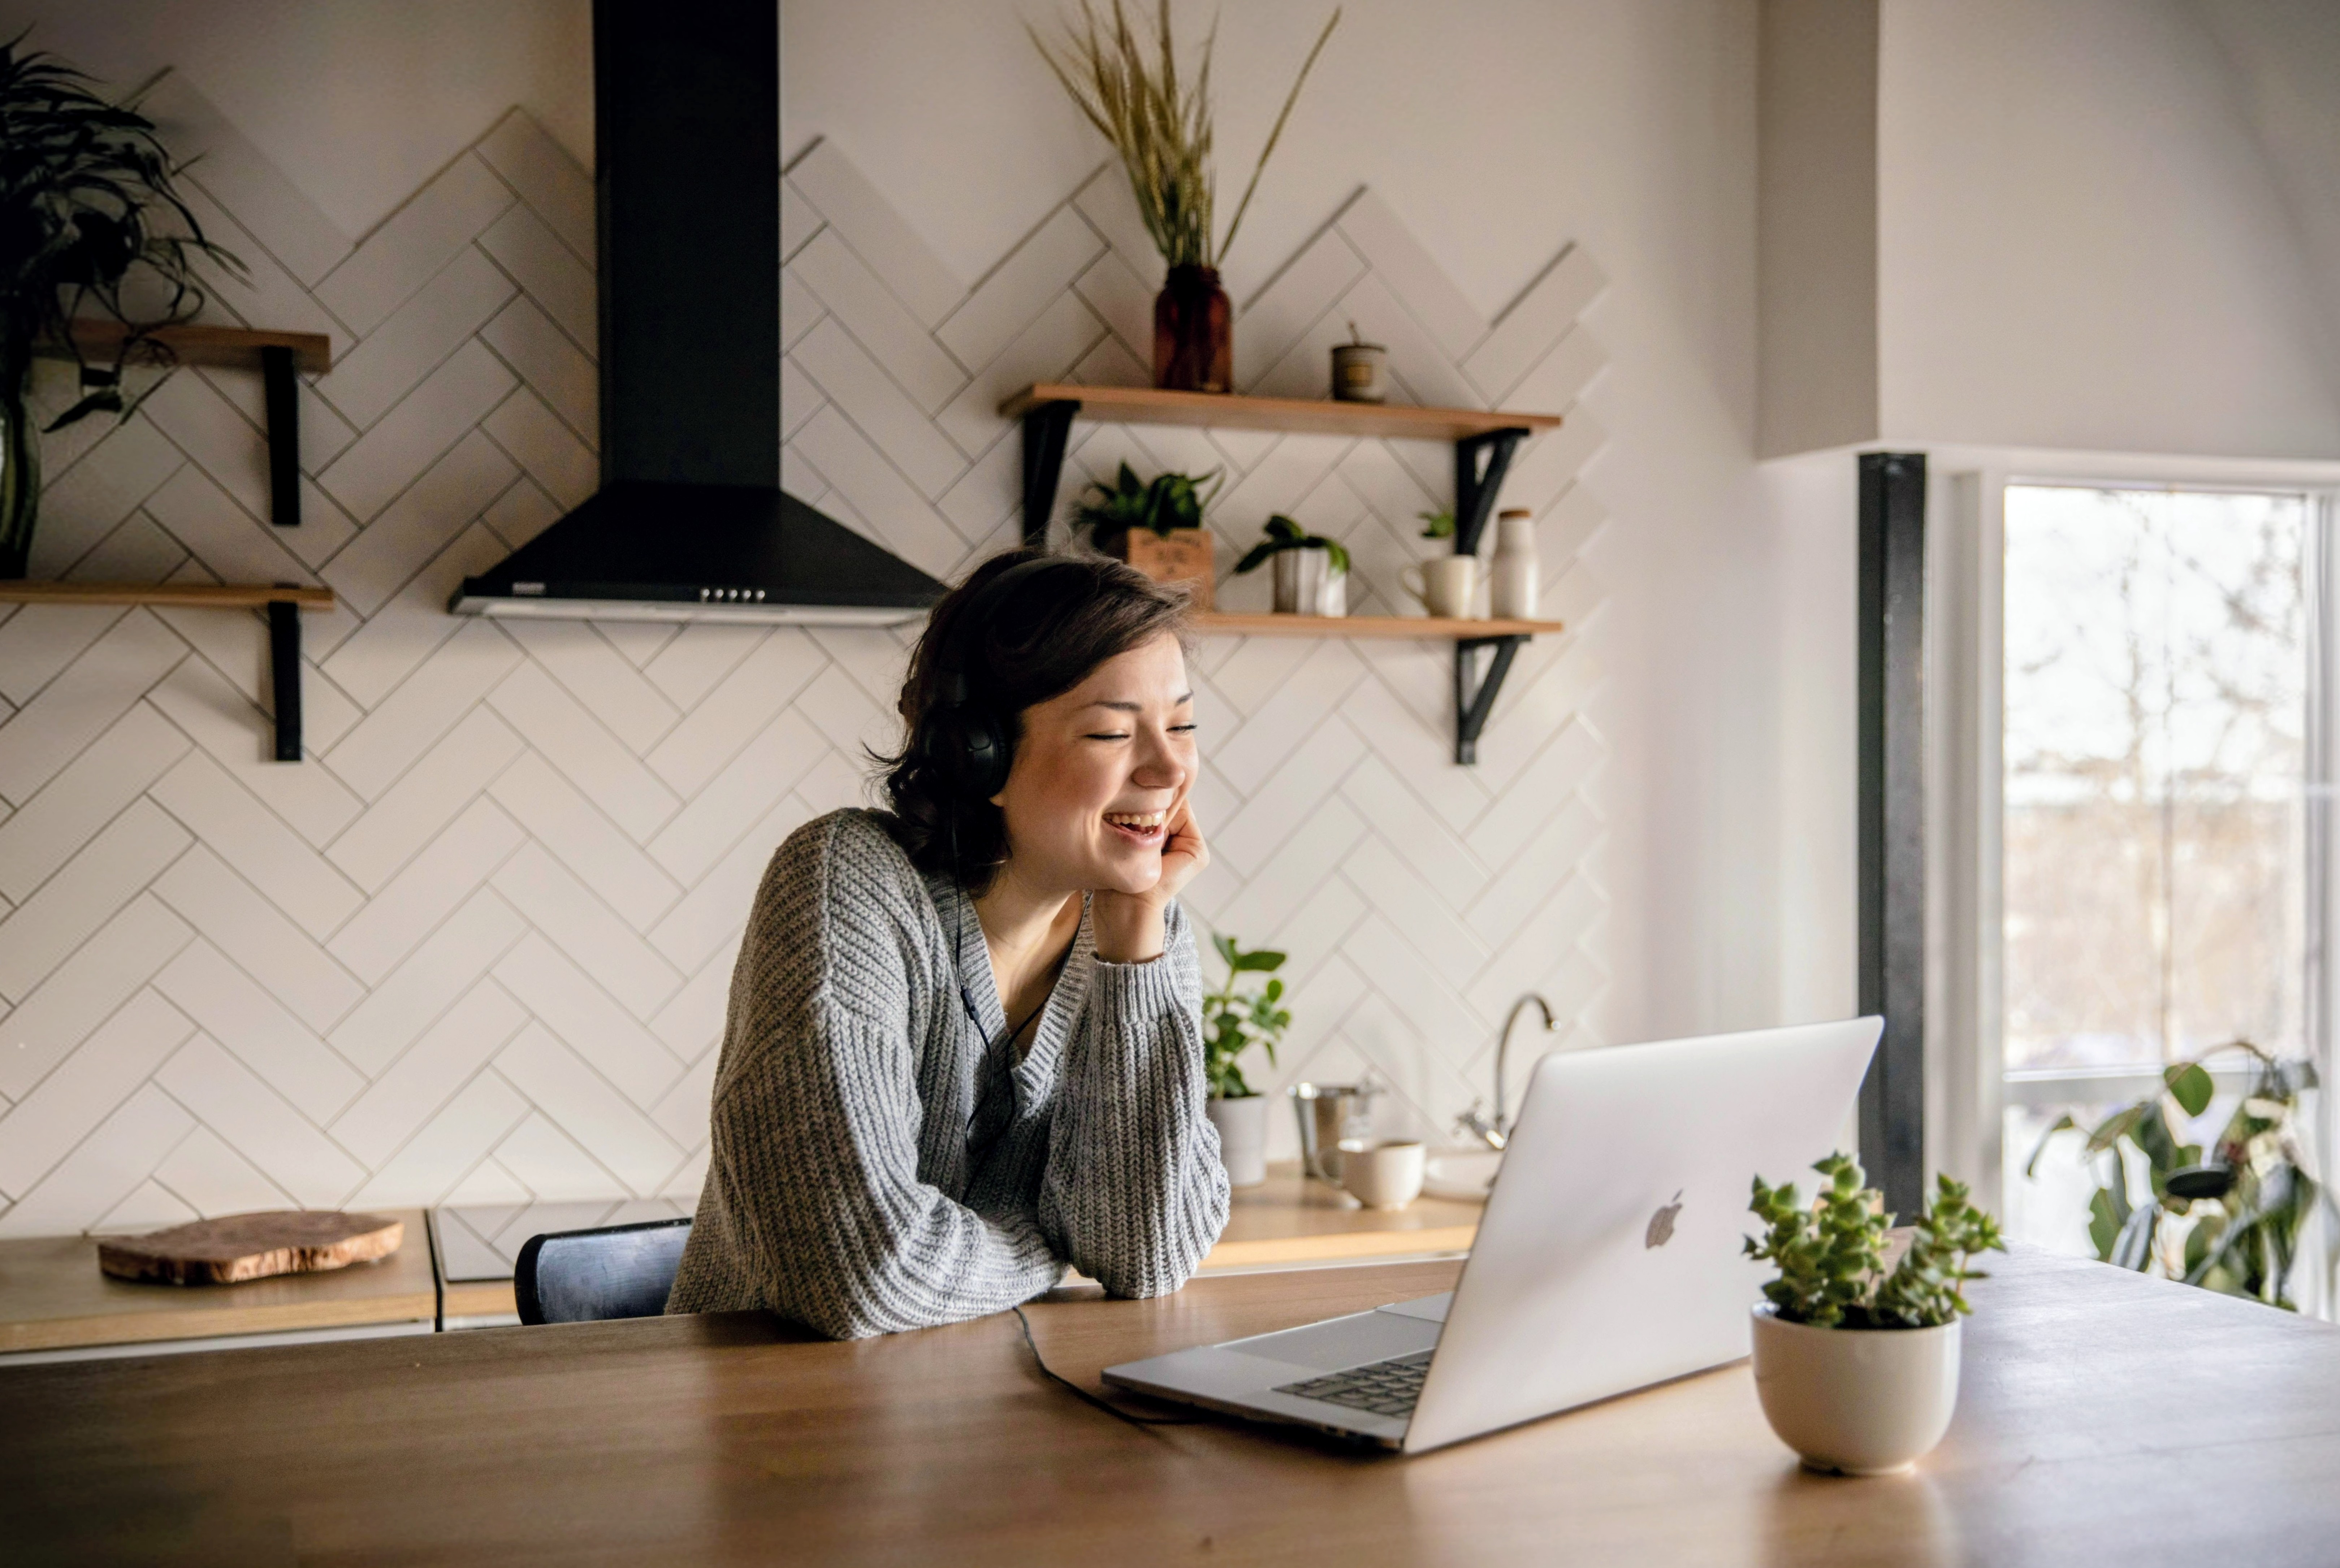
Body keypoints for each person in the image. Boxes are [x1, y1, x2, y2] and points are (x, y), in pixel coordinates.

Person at [665, 550, 1232, 1338]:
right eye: (1111, 731)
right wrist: (1046, 1243)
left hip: (990, 1423)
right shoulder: (847, 884)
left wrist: (1136, 953)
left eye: (1182, 724)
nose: (1170, 768)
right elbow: (861, 1272)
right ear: (981, 753)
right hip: (776, 1425)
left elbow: (1146, 1255)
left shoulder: (1145, 933)